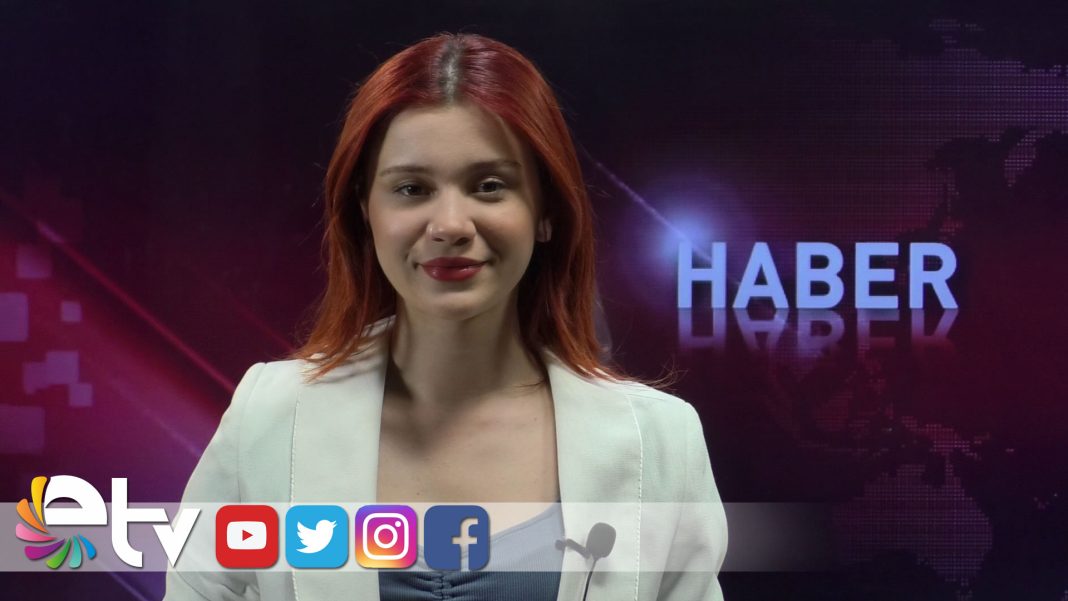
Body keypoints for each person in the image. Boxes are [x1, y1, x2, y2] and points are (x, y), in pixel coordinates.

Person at [165, 32, 727, 601]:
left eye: (489, 186)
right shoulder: (269, 416)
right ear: (365, 212)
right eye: (412, 189)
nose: (450, 225)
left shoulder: (660, 441)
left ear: (546, 211)